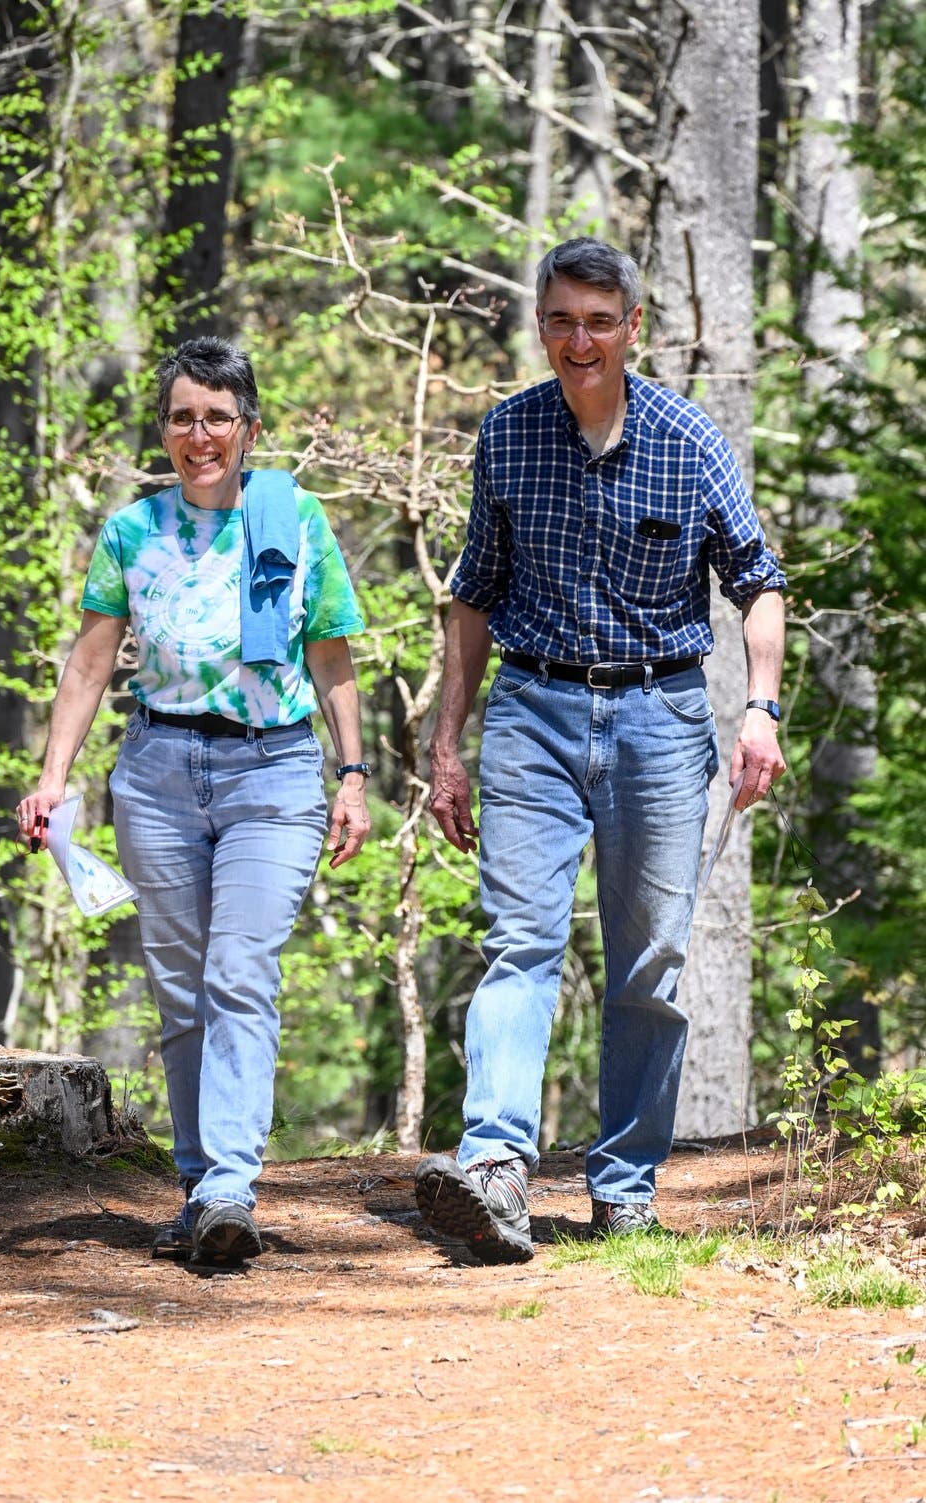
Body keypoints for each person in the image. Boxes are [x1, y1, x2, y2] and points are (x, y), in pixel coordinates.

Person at [414, 237, 786, 1264]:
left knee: (648, 968)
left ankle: (622, 1186)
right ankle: (491, 1167)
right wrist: (447, 742)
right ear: (540, 326)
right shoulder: (507, 434)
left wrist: (758, 710)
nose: (578, 340)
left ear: (632, 328)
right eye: (560, 320)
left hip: (660, 721)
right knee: (519, 942)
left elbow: (757, 582)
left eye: (597, 320)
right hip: (531, 709)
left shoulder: (686, 438)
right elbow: (474, 594)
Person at [16, 336, 371, 1268]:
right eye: (182, 417)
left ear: (247, 428)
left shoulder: (295, 520)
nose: (200, 434)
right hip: (158, 773)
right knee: (181, 992)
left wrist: (354, 775)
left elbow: (331, 653)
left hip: (274, 774)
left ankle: (228, 1187)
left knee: (240, 970)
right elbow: (92, 661)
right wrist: (54, 778)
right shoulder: (133, 532)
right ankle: (197, 1183)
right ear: (165, 430)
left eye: (218, 417)